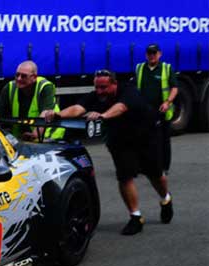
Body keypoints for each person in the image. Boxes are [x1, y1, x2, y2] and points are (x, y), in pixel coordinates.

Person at [42, 69, 172, 235]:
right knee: (124, 176)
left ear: (114, 84)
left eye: (104, 87)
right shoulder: (95, 95)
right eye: (97, 87)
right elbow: (77, 108)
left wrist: (102, 116)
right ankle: (135, 217)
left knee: (155, 174)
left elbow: (121, 107)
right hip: (120, 139)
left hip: (145, 136)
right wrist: (58, 115)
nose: (100, 91)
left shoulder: (128, 91)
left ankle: (165, 199)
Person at [0, 61, 65, 141]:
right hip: (23, 138)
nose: (19, 78)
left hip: (48, 135)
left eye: (23, 76)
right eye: (17, 75)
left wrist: (34, 135)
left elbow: (44, 115)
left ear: (34, 77)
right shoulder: (10, 87)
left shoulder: (45, 87)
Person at [135, 43, 178, 176]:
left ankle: (164, 167)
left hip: (162, 110)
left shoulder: (166, 68)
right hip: (145, 111)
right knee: (144, 139)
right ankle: (144, 166)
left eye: (154, 53)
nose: (152, 56)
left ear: (159, 54)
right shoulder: (140, 68)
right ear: (146, 55)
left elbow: (174, 88)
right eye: (149, 53)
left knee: (163, 140)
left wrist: (167, 102)